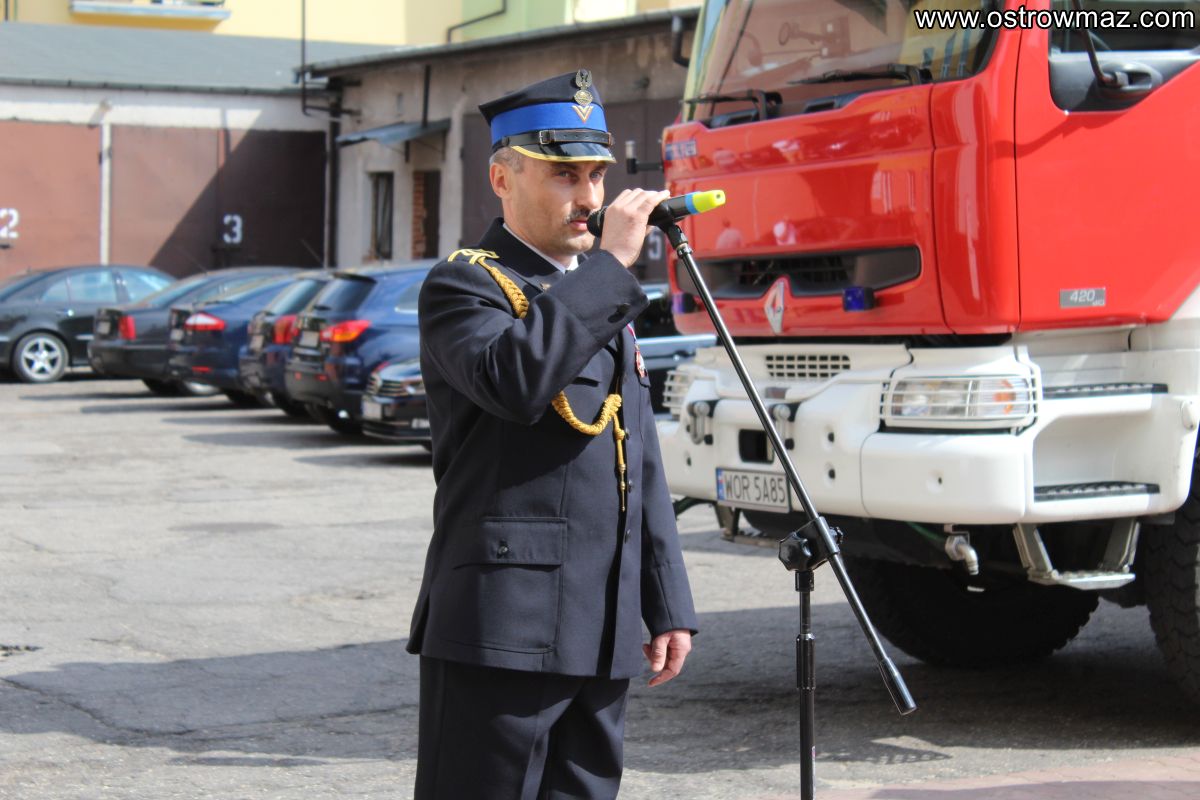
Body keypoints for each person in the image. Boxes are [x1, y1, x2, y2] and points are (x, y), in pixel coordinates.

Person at [409, 69, 699, 799]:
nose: (591, 197)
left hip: (601, 623)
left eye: (597, 174)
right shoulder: (466, 285)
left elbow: (640, 459)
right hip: (503, 624)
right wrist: (609, 268)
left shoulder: (597, 295)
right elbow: (514, 382)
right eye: (565, 174)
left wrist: (666, 601)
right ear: (502, 179)